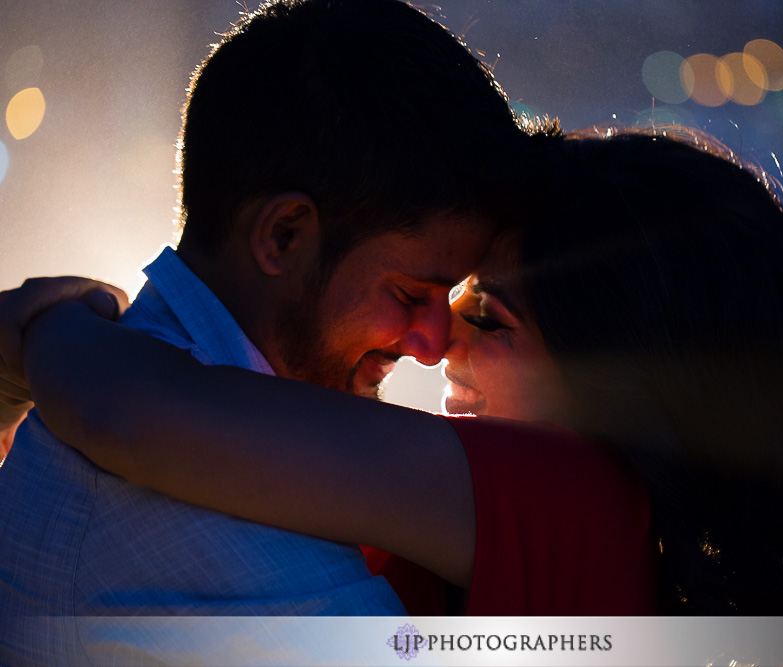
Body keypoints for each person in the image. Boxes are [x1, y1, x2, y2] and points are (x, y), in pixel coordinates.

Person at [2, 128, 783, 662]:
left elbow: (134, 415)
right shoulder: (613, 551)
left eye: (489, 317)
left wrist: (50, 324)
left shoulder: (567, 500)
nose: (438, 348)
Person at [0, 0, 538, 662]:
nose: (433, 344)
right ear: (283, 235)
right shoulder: (264, 582)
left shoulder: (78, 414)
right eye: (409, 294)